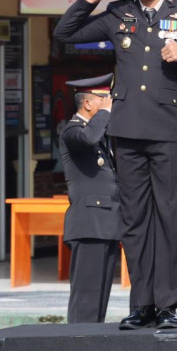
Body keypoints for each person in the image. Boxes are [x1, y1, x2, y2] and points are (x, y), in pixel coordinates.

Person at [53, 0, 177, 330]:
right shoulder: (117, 14)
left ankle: (167, 305)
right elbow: (65, 32)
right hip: (127, 130)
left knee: (169, 217)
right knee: (134, 221)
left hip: (169, 131)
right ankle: (142, 304)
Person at [59, 74, 120, 323]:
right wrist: (105, 114)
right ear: (87, 104)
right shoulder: (73, 131)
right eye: (103, 99)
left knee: (100, 298)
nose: (108, 103)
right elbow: (88, 139)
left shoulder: (100, 134)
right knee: (86, 297)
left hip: (107, 222)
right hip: (89, 224)